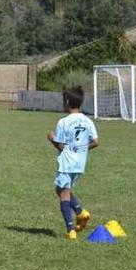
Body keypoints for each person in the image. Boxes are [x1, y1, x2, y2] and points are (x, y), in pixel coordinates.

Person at [48, 86, 98, 240]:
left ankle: (71, 229)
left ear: (67, 101)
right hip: (79, 164)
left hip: (67, 162)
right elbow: (96, 142)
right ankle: (80, 212)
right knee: (61, 190)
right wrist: (82, 150)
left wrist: (51, 138)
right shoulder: (87, 121)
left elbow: (61, 146)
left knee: (63, 194)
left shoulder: (63, 122)